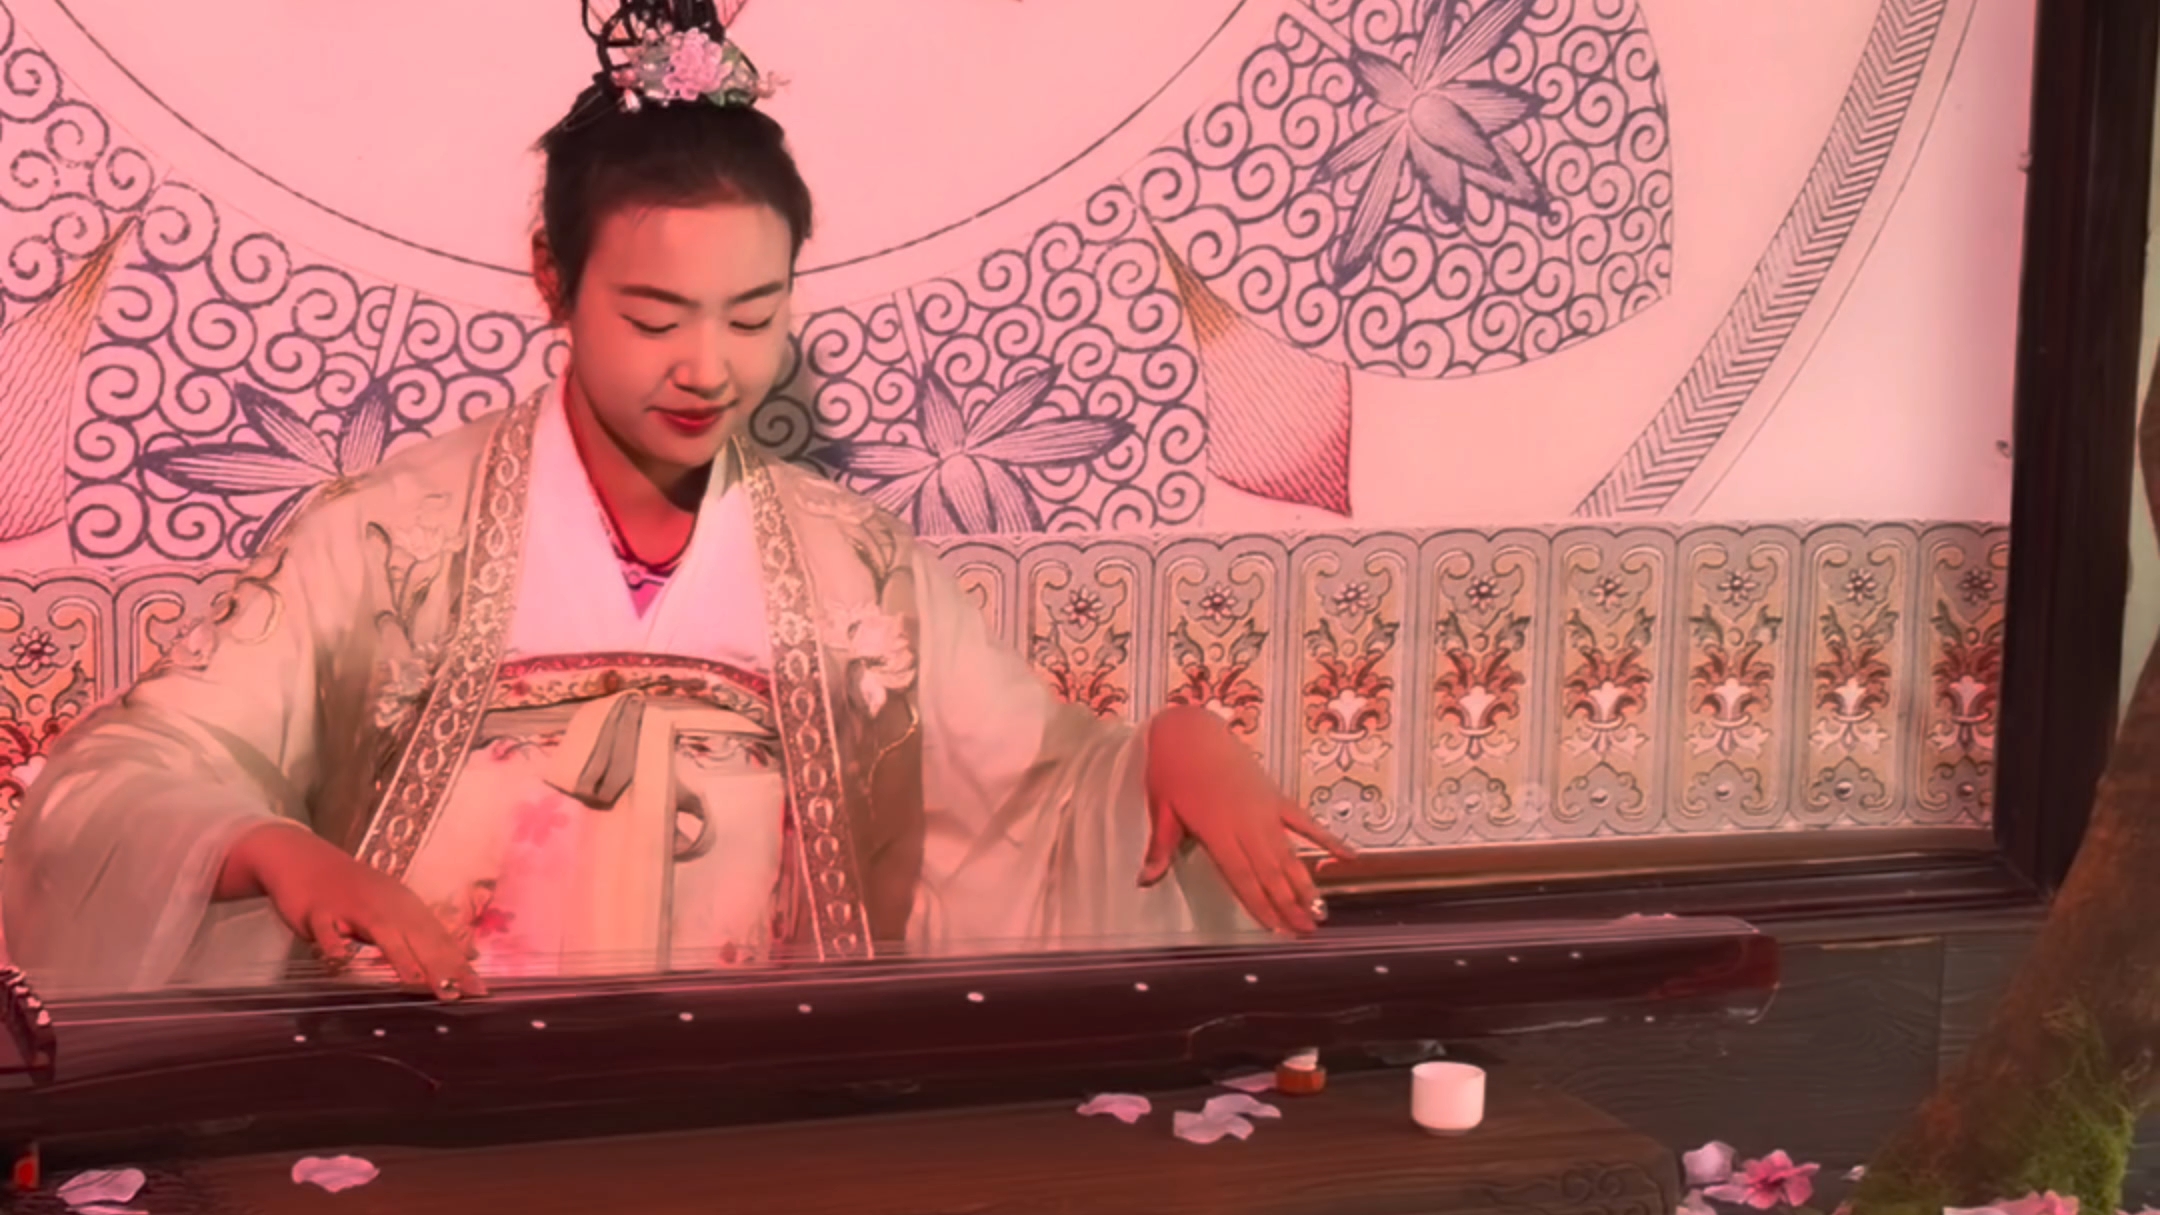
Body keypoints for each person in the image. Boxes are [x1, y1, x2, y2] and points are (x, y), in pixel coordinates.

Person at [1, 3, 1349, 1000]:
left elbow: (1025, 815)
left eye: (754, 317)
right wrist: (275, 850)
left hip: (744, 1106)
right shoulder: (381, 541)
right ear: (552, 275)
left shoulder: (856, 572)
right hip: (421, 1090)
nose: (710, 367)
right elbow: (120, 785)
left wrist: (1168, 752)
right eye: (655, 317)